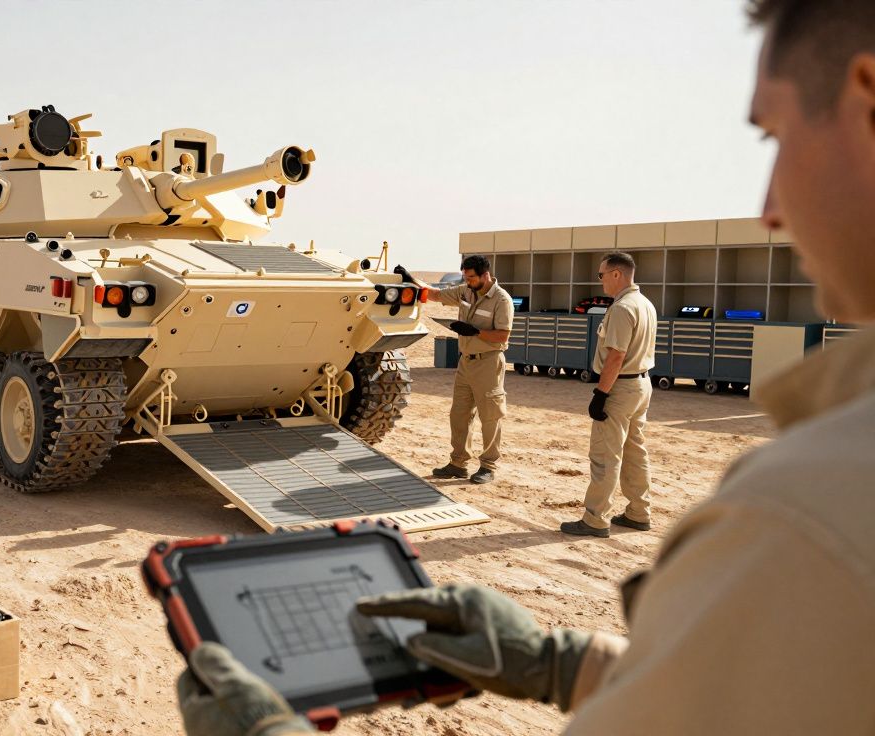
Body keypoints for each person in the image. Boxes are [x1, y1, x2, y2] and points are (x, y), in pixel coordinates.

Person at [173, 0, 875, 732]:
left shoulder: (811, 511)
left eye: (776, 135)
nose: (768, 206)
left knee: (545, 438)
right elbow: (742, 695)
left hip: (541, 378)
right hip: (570, 390)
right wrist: (563, 664)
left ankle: (571, 502)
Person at [560, 252, 657, 538]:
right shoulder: (645, 304)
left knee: (605, 455)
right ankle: (639, 512)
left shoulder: (622, 308)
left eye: (601, 275)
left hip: (621, 387)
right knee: (635, 451)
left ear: (617, 274)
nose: (600, 281)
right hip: (641, 385)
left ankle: (595, 519)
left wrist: (601, 393)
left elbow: (616, 355)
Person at [428, 254, 514, 484]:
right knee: (459, 414)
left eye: (471, 277)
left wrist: (474, 331)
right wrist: (410, 281)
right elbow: (435, 295)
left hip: (488, 362)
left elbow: (503, 335)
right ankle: (458, 463)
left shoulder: (501, 300)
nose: (468, 281)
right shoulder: (465, 291)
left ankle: (488, 466)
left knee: (490, 417)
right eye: (465, 277)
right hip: (465, 363)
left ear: (485, 275)